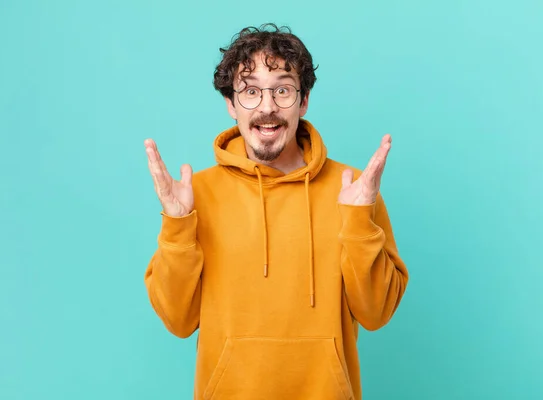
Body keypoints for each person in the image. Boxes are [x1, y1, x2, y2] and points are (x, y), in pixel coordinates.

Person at [143, 23, 409, 400]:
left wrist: (359, 223)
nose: (267, 107)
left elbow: (376, 313)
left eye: (282, 90)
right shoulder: (195, 195)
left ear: (303, 101)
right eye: (250, 91)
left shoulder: (353, 191)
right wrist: (177, 226)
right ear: (231, 105)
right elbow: (177, 319)